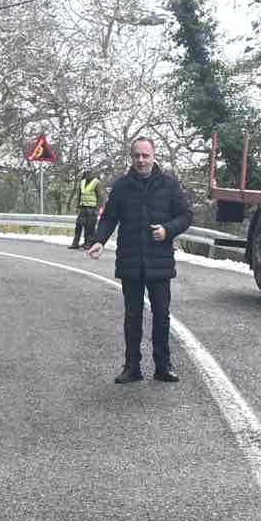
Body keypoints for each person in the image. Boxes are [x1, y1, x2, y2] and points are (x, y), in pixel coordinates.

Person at [88, 138, 193, 384]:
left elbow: (186, 215)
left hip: (160, 262)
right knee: (132, 316)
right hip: (130, 262)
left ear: (154, 155)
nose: (141, 160)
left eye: (145, 155)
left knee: (161, 316)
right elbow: (109, 218)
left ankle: (163, 366)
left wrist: (168, 230)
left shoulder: (169, 185)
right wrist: (99, 240)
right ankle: (132, 367)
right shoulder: (122, 187)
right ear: (131, 157)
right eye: (137, 156)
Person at [67, 169, 103, 250]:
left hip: (92, 209)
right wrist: (77, 206)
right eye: (86, 173)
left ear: (93, 173)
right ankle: (75, 243)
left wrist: (97, 209)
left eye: (90, 173)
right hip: (83, 208)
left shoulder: (96, 183)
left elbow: (100, 197)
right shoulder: (82, 182)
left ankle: (88, 244)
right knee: (78, 226)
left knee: (90, 228)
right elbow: (80, 195)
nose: (88, 174)